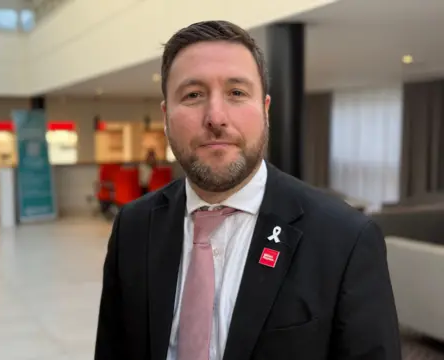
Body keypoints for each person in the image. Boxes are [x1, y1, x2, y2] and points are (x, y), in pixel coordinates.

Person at [95, 20, 401, 360]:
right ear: (166, 116)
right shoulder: (133, 226)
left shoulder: (345, 239)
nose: (215, 117)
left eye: (237, 93)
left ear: (265, 110)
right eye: (193, 95)